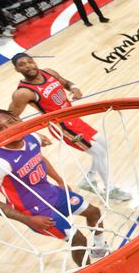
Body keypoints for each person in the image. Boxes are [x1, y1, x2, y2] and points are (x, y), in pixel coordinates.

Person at [0, 109, 107, 266]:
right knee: (79, 240)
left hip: (52, 193)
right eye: (0, 129)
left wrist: (59, 180)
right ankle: (88, 272)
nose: (9, 129)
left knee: (94, 213)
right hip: (34, 211)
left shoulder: (32, 137)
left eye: (10, 123)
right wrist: (29, 220)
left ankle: (99, 249)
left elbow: (40, 158)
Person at [7, 53, 131, 201]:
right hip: (62, 125)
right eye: (22, 64)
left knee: (105, 145)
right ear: (16, 69)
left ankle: (89, 180)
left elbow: (66, 82)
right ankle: (110, 189)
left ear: (34, 62)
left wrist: (74, 88)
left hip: (74, 118)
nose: (28, 66)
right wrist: (33, 135)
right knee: (98, 152)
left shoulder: (48, 72)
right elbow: (10, 117)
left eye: (30, 61)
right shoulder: (23, 92)